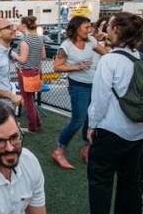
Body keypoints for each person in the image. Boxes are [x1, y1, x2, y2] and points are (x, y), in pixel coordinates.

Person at [87, 12, 143, 214]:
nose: (106, 28)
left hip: (111, 130)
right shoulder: (139, 57)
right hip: (137, 131)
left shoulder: (109, 60)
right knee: (130, 182)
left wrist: (92, 125)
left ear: (116, 30)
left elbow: (100, 100)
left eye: (109, 25)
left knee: (100, 181)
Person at [51, 15, 109, 170]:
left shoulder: (91, 41)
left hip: (94, 85)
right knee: (78, 120)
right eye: (86, 27)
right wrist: (76, 67)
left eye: (90, 27)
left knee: (91, 119)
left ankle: (86, 148)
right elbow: (57, 67)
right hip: (78, 87)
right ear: (76, 28)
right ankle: (59, 151)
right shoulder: (66, 46)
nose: (89, 30)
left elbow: (107, 54)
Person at [12, 16, 45, 132]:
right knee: (31, 100)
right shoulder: (39, 39)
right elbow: (43, 56)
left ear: (24, 26)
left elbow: (23, 60)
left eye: (20, 24)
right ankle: (38, 122)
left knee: (28, 101)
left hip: (25, 73)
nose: (18, 26)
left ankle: (32, 126)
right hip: (36, 72)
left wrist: (13, 54)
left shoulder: (24, 41)